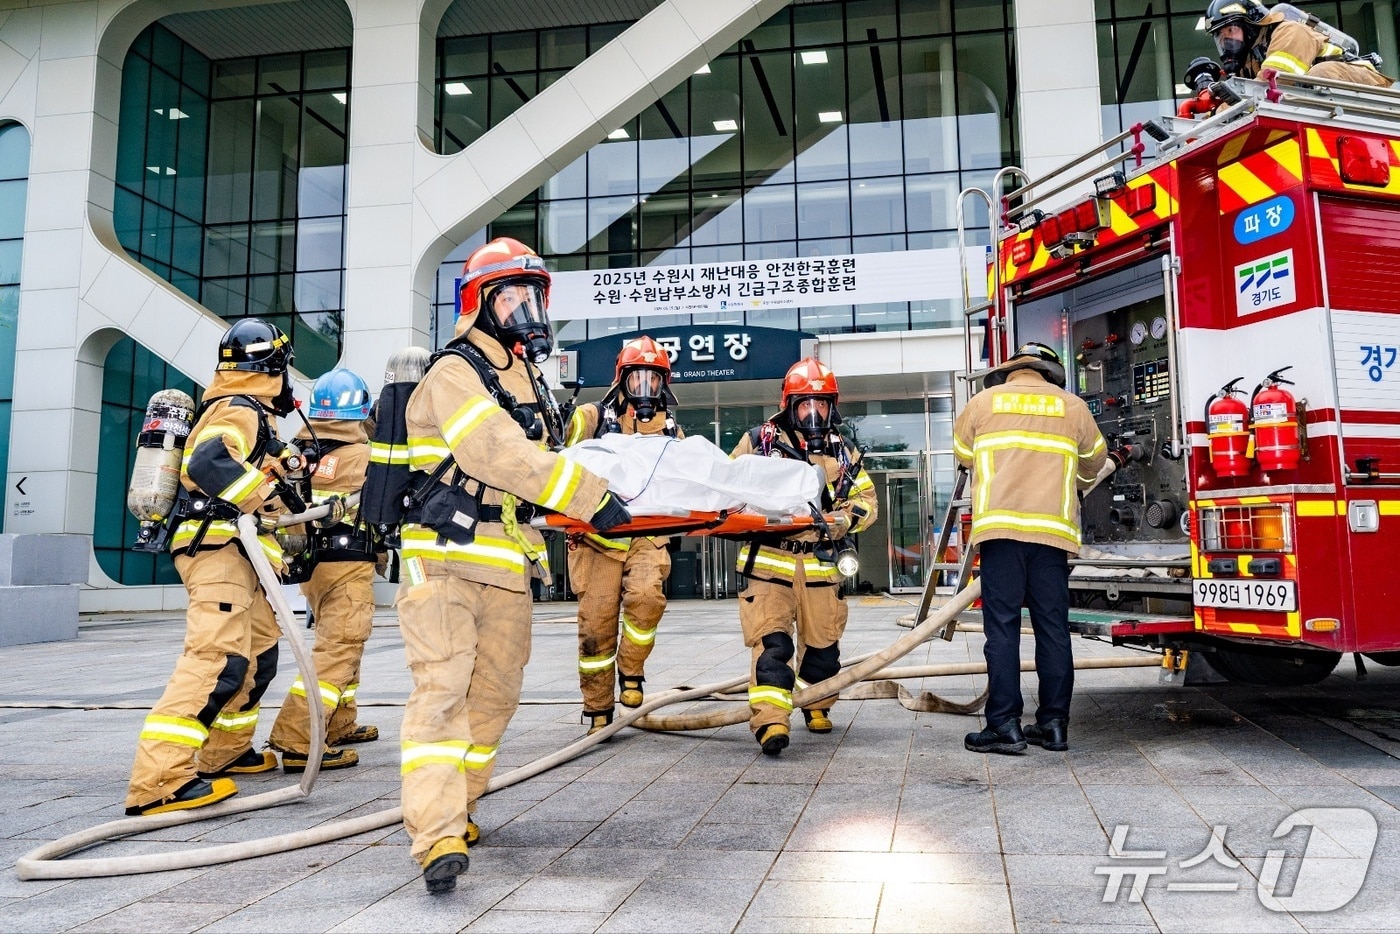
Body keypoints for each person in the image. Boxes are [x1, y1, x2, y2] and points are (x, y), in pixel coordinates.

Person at [396, 237, 629, 894]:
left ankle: (461, 803)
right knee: (442, 693)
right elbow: (495, 452)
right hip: (440, 561)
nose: (528, 309)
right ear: (480, 302)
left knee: (495, 695)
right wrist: (593, 500)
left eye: (534, 295)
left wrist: (597, 420)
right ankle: (436, 832)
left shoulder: (521, 377)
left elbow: (547, 443)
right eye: (513, 295)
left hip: (504, 567)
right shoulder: (454, 373)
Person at [124, 318, 298, 815]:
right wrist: (263, 495)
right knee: (214, 659)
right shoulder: (237, 408)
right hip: (217, 549)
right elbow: (206, 463)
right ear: (272, 367)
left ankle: (225, 753)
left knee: (258, 652)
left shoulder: (253, 414)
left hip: (239, 554)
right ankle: (159, 781)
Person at [952, 342, 1110, 755]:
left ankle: (1005, 725)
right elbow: (1095, 461)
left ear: (1012, 370)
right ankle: (1054, 724)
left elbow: (964, 454)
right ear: (1049, 371)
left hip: (1000, 532)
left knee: (1001, 630)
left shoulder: (982, 402)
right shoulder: (1072, 407)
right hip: (1051, 537)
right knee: (1052, 630)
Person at [729, 357, 877, 756]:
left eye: (821, 404)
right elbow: (727, 488)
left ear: (832, 406)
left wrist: (844, 520)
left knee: (823, 647)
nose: (813, 413)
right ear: (789, 405)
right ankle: (771, 722)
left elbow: (867, 501)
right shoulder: (759, 442)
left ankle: (816, 703)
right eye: (805, 404)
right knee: (773, 645)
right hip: (769, 564)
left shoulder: (842, 451)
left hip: (822, 565)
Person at [564, 335, 682, 735]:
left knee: (648, 599)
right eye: (637, 379)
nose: (645, 389)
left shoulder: (671, 429)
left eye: (653, 380)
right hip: (596, 537)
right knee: (596, 628)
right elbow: (557, 447)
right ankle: (597, 708)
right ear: (622, 381)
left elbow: (686, 476)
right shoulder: (590, 417)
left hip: (647, 536)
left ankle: (631, 671)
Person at [266, 367, 380, 773]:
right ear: (362, 410)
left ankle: (339, 722)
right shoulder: (364, 455)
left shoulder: (298, 451)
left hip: (310, 564)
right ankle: (300, 739)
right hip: (347, 562)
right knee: (340, 646)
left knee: (342, 641)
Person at [1204, 0, 1391, 88]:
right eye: (1219, 36)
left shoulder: (1290, 31)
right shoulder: (1249, 61)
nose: (1225, 41)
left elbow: (1272, 82)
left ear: (1251, 26)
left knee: (1319, 74)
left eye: (1230, 31)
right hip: (1326, 103)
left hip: (1364, 83)